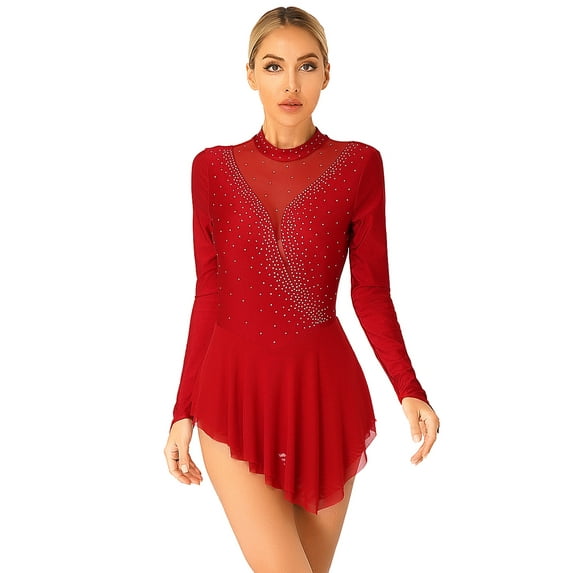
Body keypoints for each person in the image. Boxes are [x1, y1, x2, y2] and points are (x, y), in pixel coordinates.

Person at [164, 6, 440, 572]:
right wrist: (182, 410)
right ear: (250, 74)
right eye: (273, 66)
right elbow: (208, 293)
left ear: (327, 74)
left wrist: (409, 388)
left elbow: (370, 291)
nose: (290, 84)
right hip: (232, 397)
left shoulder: (359, 164)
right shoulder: (210, 169)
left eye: (306, 66)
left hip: (325, 399)